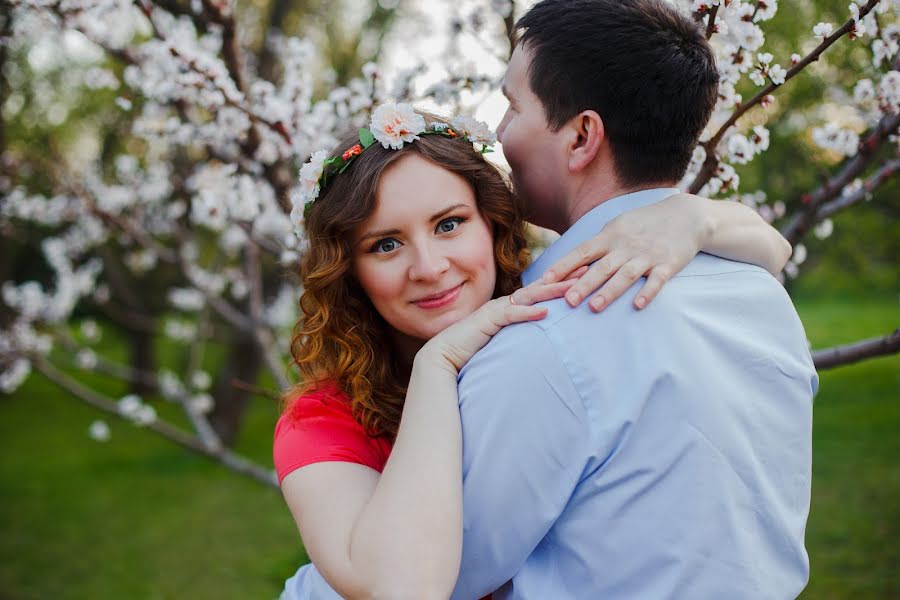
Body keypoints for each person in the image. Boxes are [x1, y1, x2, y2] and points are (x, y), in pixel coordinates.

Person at [274, 101, 794, 598]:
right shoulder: (320, 421)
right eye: (385, 244)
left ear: (493, 223)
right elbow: (401, 589)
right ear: (350, 272)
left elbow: (774, 248)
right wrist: (437, 365)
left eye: (449, 224)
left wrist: (690, 219)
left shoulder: (540, 319)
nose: (429, 267)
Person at [447, 1, 818, 599]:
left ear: (582, 137)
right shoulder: (762, 295)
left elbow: (442, 568)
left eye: (513, 106)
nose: (495, 132)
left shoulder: (543, 332)